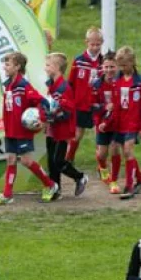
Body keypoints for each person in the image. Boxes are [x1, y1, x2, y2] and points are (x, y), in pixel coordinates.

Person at [0, 52, 58, 207]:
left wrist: (41, 119)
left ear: (17, 67)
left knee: (26, 161)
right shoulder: (8, 85)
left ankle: (50, 184)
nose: (5, 67)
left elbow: (42, 102)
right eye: (5, 64)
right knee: (11, 159)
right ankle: (7, 195)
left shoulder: (24, 86)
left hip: (22, 132)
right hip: (10, 131)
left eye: (8, 64)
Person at [44, 52, 87, 199]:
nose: (45, 68)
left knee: (58, 161)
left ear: (56, 67)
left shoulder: (64, 87)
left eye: (48, 65)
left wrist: (53, 116)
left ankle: (80, 177)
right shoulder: (51, 84)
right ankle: (56, 190)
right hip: (52, 129)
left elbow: (68, 112)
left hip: (62, 130)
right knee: (51, 161)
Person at [112, 46, 141, 200]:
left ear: (133, 62)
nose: (122, 68)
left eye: (125, 65)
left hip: (133, 123)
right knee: (125, 152)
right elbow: (115, 102)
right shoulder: (117, 81)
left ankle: (129, 186)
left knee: (128, 150)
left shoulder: (140, 83)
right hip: (120, 123)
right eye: (120, 65)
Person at [67, 27, 104, 169]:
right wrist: (70, 102)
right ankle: (69, 159)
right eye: (92, 44)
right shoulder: (79, 61)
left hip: (98, 105)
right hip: (80, 105)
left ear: (102, 43)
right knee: (77, 134)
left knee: (100, 136)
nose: (95, 47)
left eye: (98, 44)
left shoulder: (104, 63)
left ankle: (101, 166)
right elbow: (71, 83)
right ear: (86, 42)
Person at [94, 51, 121, 194]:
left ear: (117, 67)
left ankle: (114, 181)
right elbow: (92, 106)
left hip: (117, 123)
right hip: (102, 124)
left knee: (115, 149)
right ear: (102, 67)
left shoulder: (121, 83)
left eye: (112, 67)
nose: (109, 70)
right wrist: (105, 107)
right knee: (102, 154)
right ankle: (103, 168)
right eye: (106, 67)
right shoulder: (96, 85)